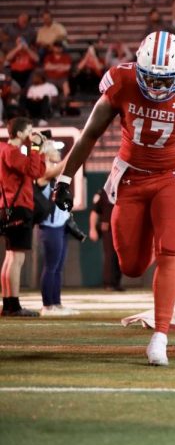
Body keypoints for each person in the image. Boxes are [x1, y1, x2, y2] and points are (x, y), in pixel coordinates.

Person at [51, 31, 175, 366]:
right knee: (130, 266)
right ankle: (174, 242)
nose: (157, 88)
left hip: (173, 177)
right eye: (151, 80)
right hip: (130, 177)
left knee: (169, 251)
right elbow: (89, 135)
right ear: (139, 70)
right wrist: (64, 177)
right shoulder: (122, 81)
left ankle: (160, 337)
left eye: (165, 81)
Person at [0, 117, 48, 317]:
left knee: (11, 257)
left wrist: (38, 151)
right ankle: (13, 305)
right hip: (18, 207)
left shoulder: (8, 150)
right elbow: (34, 171)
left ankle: (9, 303)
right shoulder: (10, 151)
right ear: (19, 133)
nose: (32, 134)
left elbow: (38, 171)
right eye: (29, 130)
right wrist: (37, 148)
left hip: (11, 206)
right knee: (16, 258)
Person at [36, 142, 80, 316]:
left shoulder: (53, 173)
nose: (58, 152)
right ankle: (47, 305)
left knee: (58, 267)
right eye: (54, 149)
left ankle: (57, 303)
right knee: (51, 266)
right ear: (46, 153)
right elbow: (58, 169)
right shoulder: (41, 173)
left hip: (60, 226)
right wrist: (76, 150)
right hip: (49, 226)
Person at [89, 185, 122, 291]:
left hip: (121, 229)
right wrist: (92, 229)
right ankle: (108, 283)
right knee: (110, 255)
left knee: (119, 256)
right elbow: (94, 212)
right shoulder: (103, 193)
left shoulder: (123, 190)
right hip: (108, 229)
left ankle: (116, 283)